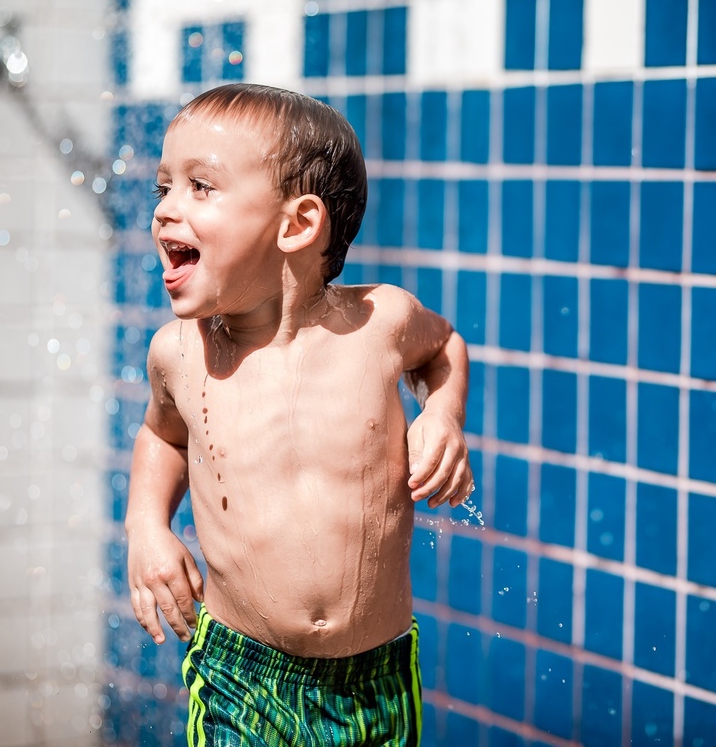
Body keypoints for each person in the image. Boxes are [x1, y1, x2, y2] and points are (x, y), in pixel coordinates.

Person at [124, 83, 473, 746]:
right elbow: (160, 436)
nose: (166, 210)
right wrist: (146, 523)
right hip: (241, 677)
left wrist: (443, 413)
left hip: (376, 683)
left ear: (296, 224)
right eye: (163, 187)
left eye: (200, 187)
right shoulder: (178, 354)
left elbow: (445, 345)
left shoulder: (381, 324)